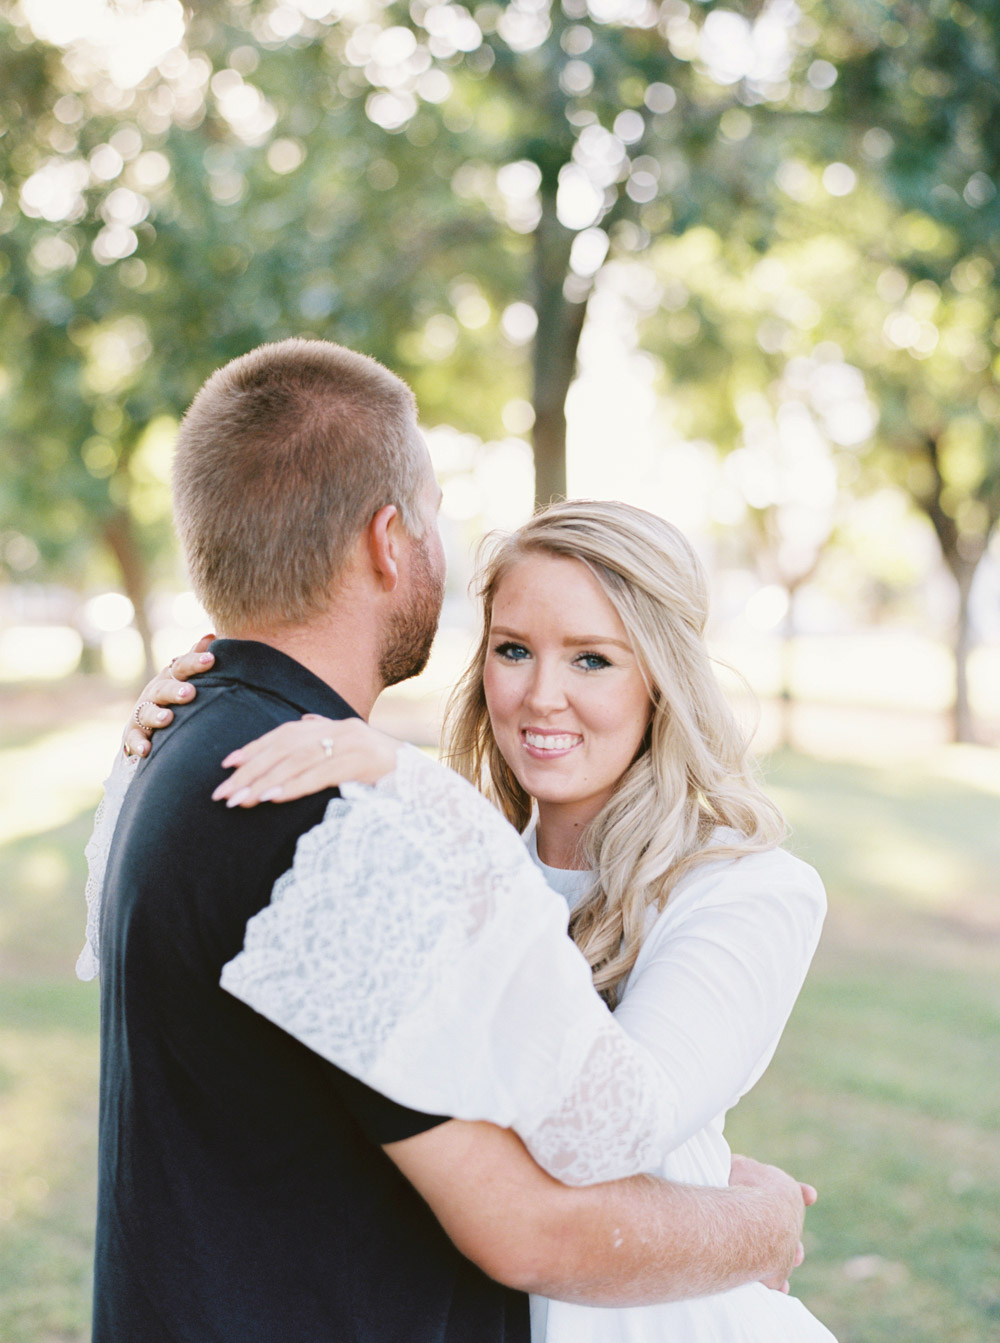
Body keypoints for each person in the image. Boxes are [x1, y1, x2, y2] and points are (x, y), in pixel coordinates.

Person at [82, 338, 815, 1343]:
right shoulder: (334, 818)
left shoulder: (212, 748)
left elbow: (617, 1119)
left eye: (592, 657)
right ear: (391, 539)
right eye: (512, 647)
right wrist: (761, 1221)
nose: (540, 690)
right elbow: (528, 1224)